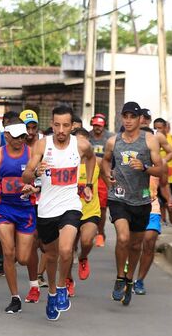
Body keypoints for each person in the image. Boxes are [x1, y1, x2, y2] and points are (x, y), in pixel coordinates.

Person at [23, 105, 98, 320]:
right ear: (52, 125)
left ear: (72, 126)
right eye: (57, 125)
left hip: (70, 205)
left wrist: (89, 184)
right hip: (46, 208)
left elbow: (92, 159)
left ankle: (63, 286)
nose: (61, 130)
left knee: (66, 250)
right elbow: (26, 176)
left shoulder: (81, 145)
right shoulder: (42, 145)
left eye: (66, 125)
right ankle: (53, 292)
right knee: (51, 255)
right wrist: (34, 172)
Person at [102, 102, 166, 305]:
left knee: (136, 244)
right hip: (118, 197)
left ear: (140, 119)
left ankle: (130, 280)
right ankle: (120, 277)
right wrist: (107, 175)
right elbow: (105, 160)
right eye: (125, 116)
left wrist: (145, 167)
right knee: (122, 238)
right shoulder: (113, 141)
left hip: (142, 199)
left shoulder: (150, 141)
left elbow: (160, 169)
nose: (128, 120)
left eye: (132, 116)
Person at [0, 121, 38, 312]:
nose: (20, 140)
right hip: (3, 208)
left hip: (26, 209)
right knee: (8, 253)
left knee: (22, 258)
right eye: (16, 137)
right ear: (7, 136)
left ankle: (31, 282)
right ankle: (15, 298)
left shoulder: (32, 153)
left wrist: (35, 187)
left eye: (23, 136)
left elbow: (44, 179)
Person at [75, 128, 103, 285]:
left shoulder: (97, 162)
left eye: (85, 141)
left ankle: (83, 257)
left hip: (90, 210)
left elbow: (109, 179)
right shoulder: (67, 161)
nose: (81, 144)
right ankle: (67, 280)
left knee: (86, 242)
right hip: (70, 211)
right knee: (66, 252)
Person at [87, 114, 113, 246]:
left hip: (102, 175)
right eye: (95, 125)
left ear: (104, 126)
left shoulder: (109, 138)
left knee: (102, 206)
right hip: (88, 174)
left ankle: (101, 233)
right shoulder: (87, 137)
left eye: (100, 126)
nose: (97, 128)